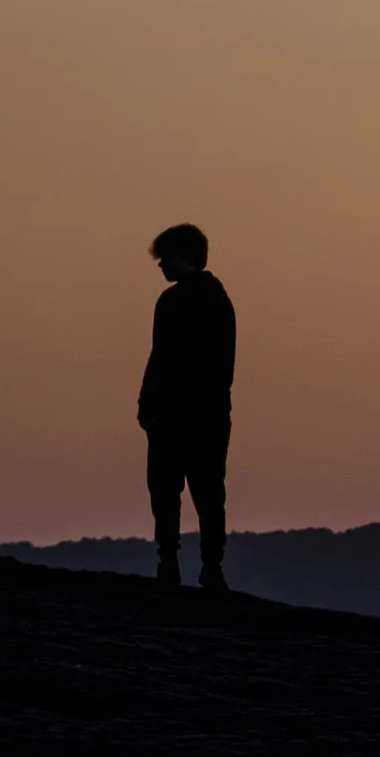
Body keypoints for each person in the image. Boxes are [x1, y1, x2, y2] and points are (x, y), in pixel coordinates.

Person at [139, 223, 236, 591]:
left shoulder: (180, 301)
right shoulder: (216, 298)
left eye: (166, 258)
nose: (161, 265)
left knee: (173, 492)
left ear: (186, 257)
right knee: (206, 493)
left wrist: (149, 404)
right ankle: (209, 568)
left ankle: (176, 565)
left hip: (182, 415)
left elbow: (160, 358)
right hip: (203, 414)